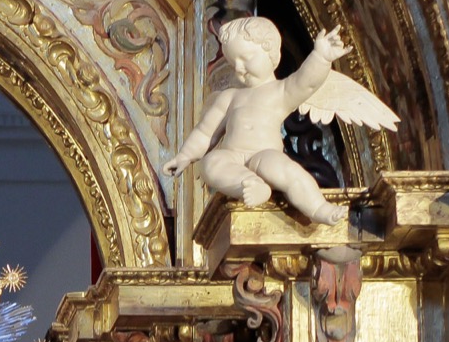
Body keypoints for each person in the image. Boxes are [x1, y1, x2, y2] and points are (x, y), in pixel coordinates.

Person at [163, 17, 394, 226]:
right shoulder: (229, 97)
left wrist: (320, 57)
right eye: (234, 63)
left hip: (264, 153)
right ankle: (250, 185)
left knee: (287, 172)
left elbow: (307, 83)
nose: (240, 68)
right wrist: (185, 156)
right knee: (211, 163)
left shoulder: (281, 91)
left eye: (246, 59)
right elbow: (206, 133)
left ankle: (318, 207)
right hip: (232, 156)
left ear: (271, 53)